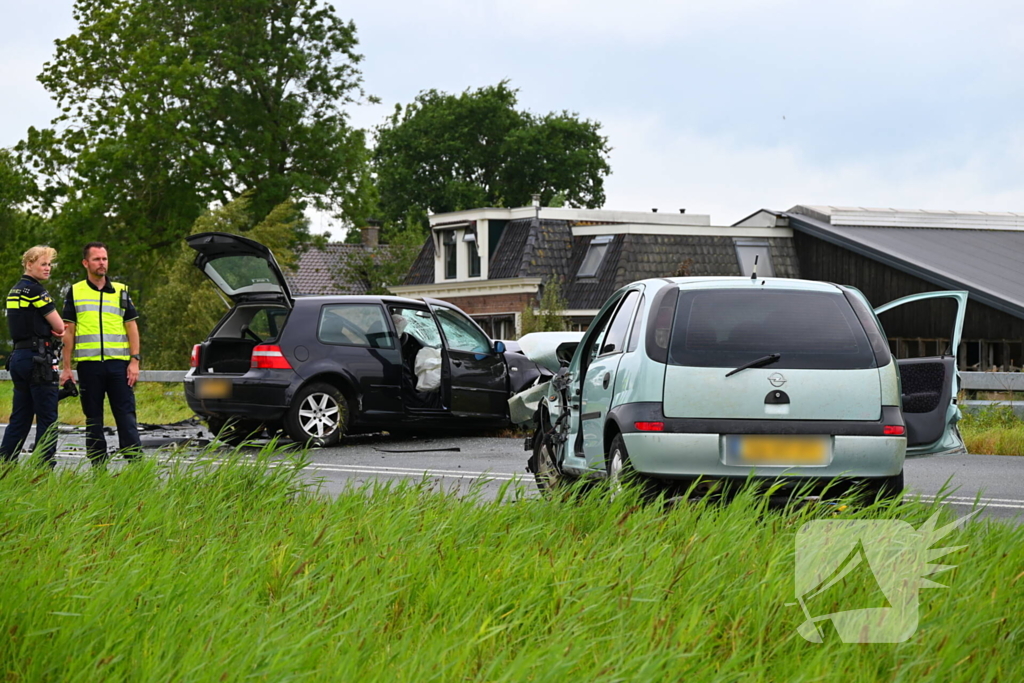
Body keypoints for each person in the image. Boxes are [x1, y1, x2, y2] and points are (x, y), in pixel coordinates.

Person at [60, 242, 143, 465]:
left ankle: (135, 464)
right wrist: (66, 368)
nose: (102, 263)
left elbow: (132, 327)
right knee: (93, 418)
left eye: (104, 259)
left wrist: (135, 360)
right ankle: (98, 465)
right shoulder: (76, 291)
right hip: (89, 365)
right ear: (86, 263)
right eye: (96, 259)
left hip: (119, 365)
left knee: (126, 416)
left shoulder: (121, 291)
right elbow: (69, 331)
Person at [1, 246, 65, 467]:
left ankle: (5, 464)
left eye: (49, 264)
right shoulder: (37, 291)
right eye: (43, 264)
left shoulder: (14, 290)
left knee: (20, 417)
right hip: (39, 360)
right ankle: (42, 469)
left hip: (18, 357)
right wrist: (58, 329)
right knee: (47, 417)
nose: (48, 268)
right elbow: (59, 325)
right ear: (29, 264)